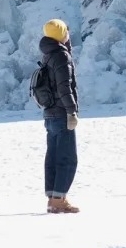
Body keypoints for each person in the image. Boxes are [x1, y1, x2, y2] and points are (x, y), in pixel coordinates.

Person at [40, 18, 80, 214]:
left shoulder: (48, 54)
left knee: (53, 157)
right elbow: (64, 87)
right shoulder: (61, 57)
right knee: (67, 158)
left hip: (49, 114)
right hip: (62, 113)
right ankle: (59, 199)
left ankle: (53, 198)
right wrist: (72, 111)